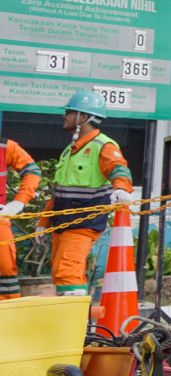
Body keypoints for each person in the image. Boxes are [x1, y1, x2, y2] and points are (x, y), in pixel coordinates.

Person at [43, 91, 134, 296]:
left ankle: (73, 325)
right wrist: (43, 222)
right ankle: (76, 322)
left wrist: (121, 188)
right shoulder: (70, 150)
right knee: (61, 272)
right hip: (62, 223)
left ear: (83, 117)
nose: (64, 116)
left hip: (82, 223)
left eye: (69, 112)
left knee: (68, 272)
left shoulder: (104, 145)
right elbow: (59, 190)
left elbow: (118, 168)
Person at [0, 136, 42, 299]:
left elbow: (32, 171)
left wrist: (18, 202)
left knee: (5, 268)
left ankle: (8, 318)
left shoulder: (4, 146)